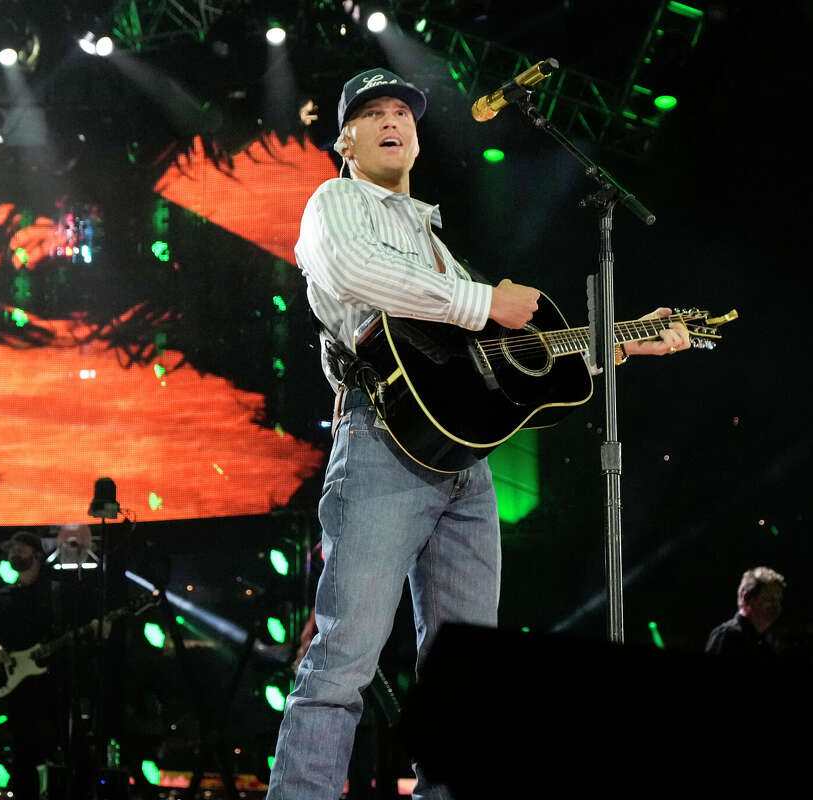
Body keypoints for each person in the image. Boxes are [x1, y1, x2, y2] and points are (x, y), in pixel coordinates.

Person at [266, 68, 691, 800]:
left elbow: (500, 364)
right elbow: (357, 271)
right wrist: (482, 299)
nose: (393, 120)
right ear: (347, 140)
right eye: (374, 113)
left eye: (404, 111)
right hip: (380, 447)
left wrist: (623, 342)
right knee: (343, 661)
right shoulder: (334, 200)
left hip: (464, 464)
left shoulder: (434, 242)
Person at [0, 531, 88, 799]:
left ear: (37, 555)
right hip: (18, 693)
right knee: (23, 759)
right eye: (11, 549)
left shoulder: (56, 593)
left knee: (61, 756)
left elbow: (75, 631)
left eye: (20, 548)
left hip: (54, 690)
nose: (14, 553)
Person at [704, 566, 786, 664]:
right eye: (769, 599)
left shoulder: (765, 645)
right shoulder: (727, 636)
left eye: (778, 600)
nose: (776, 605)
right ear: (747, 598)